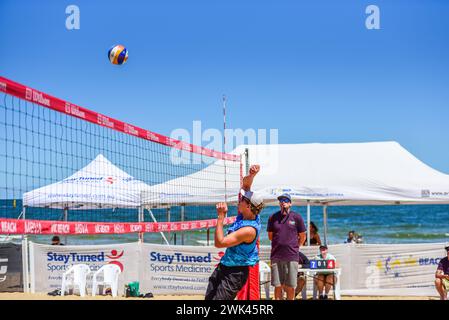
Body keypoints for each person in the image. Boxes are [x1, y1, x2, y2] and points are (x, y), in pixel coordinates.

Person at [205, 165, 264, 300]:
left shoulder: (248, 230)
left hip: (235, 273)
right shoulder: (248, 213)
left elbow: (220, 243)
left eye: (242, 200)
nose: (239, 200)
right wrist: (252, 175)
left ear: (248, 206)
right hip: (225, 265)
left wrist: (221, 217)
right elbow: (246, 186)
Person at [267, 193, 306, 300]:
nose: (283, 202)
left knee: (291, 286)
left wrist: (297, 247)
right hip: (276, 256)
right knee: (277, 285)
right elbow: (270, 236)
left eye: (285, 200)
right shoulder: (273, 217)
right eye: (281, 200)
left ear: (290, 204)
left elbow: (302, 236)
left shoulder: (296, 217)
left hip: (292, 256)